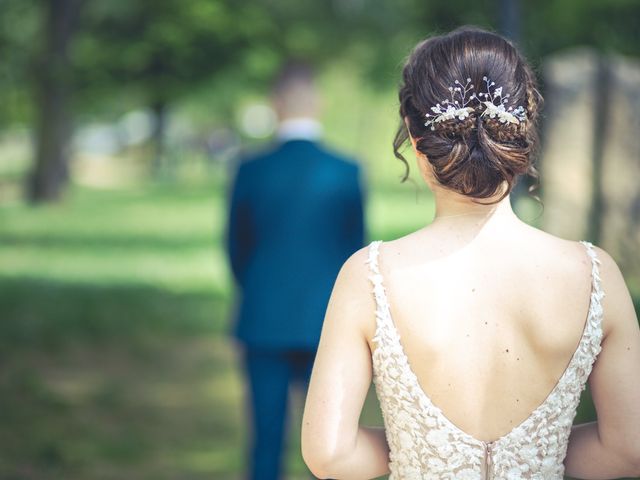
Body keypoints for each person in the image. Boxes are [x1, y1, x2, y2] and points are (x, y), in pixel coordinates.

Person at [301, 26, 640, 479]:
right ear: (521, 131)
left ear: (415, 138)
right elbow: (628, 449)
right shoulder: (596, 274)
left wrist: (421, 449)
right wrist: (537, 454)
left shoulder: (369, 276)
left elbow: (330, 455)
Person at [226, 61, 366, 480]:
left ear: (275, 104)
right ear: (318, 103)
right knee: (329, 444)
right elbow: (354, 251)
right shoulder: (346, 171)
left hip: (262, 318)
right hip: (326, 323)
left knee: (265, 441)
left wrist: (257, 287)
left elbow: (235, 247)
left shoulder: (250, 169)